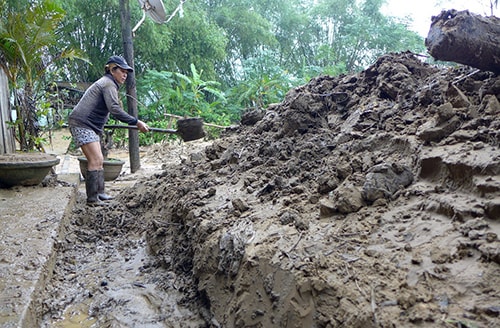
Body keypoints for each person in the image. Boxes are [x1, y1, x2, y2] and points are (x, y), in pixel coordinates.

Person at [68, 55, 149, 205]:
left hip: (89, 125)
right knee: (96, 159)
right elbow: (114, 109)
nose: (125, 75)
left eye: (126, 72)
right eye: (122, 71)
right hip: (82, 124)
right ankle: (92, 199)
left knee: (99, 160)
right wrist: (136, 122)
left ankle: (100, 193)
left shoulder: (109, 84)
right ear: (112, 70)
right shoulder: (108, 84)